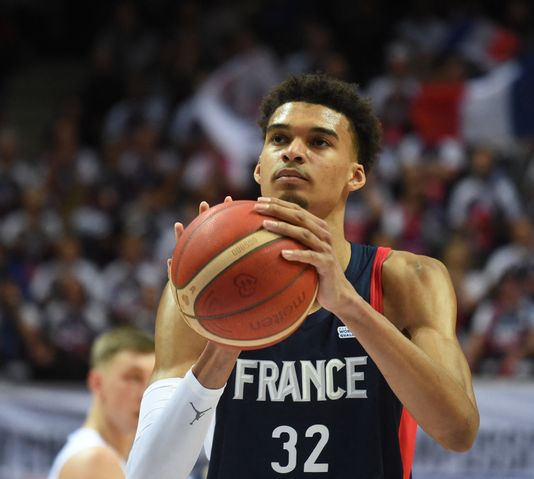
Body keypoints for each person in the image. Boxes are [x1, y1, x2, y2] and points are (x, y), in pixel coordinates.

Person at [127, 73, 479, 479]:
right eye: (279, 139)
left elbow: (458, 431)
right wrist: (223, 342)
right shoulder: (195, 297)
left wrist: (349, 305)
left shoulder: (407, 278)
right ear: (259, 167)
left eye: (319, 142)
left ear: (356, 175)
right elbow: (147, 475)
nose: (293, 152)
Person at [48, 327, 155, 479]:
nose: (146, 393)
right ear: (97, 383)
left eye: (152, 380)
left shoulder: (110, 457)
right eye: (134, 378)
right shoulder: (94, 461)